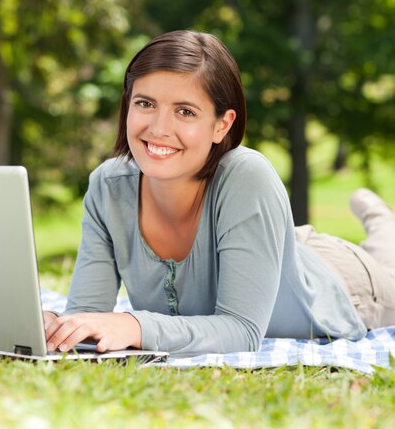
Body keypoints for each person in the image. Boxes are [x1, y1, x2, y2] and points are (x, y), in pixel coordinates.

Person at [44, 30, 395, 355]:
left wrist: (137, 325)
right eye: (145, 104)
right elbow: (87, 314)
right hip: (274, 248)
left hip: (349, 284)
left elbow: (241, 331)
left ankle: (381, 220)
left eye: (185, 111)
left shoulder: (246, 175)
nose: (159, 128)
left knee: (386, 253)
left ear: (221, 124)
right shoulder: (109, 186)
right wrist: (58, 328)